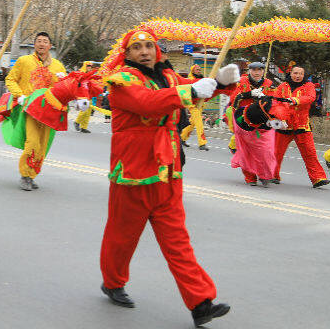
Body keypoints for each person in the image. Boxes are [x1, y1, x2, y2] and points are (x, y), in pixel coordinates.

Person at [97, 27, 237, 326]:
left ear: (157, 50)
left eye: (149, 46)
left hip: (169, 168)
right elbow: (148, 102)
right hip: (134, 172)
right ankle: (112, 281)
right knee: (122, 237)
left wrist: (221, 84)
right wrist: (191, 91)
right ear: (128, 54)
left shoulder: (170, 77)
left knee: (178, 240)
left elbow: (195, 87)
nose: (144, 52)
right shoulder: (121, 80)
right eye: (137, 48)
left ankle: (200, 302)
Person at [4, 31, 67, 190]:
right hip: (30, 109)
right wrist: (20, 95)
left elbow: (64, 89)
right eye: (39, 41)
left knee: (43, 145)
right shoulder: (24, 61)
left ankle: (32, 175)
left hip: (49, 112)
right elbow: (10, 79)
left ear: (50, 46)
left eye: (45, 41)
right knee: (32, 142)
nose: (41, 44)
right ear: (34, 44)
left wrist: (64, 81)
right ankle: (25, 175)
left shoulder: (58, 66)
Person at [272, 67, 329, 187]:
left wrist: (295, 100)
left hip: (302, 125)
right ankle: (272, 174)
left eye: (301, 74)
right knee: (276, 152)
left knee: (310, 153)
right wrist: (278, 116)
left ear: (304, 75)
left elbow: (310, 97)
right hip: (284, 125)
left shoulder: (308, 86)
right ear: (290, 73)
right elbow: (275, 102)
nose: (298, 76)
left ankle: (318, 178)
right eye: (295, 73)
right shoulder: (282, 86)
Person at [230, 97, 290, 186]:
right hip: (243, 123)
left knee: (267, 152)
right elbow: (235, 99)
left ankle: (265, 175)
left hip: (264, 128)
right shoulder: (242, 84)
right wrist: (248, 94)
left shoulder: (269, 87)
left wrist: (279, 123)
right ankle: (250, 177)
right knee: (245, 151)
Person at [226, 62, 273, 153]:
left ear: (263, 71)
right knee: (241, 131)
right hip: (241, 111)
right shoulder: (241, 82)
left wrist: (265, 97)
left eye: (259, 70)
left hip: (259, 114)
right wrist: (249, 94)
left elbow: (273, 101)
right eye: (254, 70)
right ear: (249, 71)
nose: (257, 73)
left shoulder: (268, 84)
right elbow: (234, 98)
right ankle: (234, 145)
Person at [180, 64, 210, 151]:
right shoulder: (191, 80)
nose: (199, 71)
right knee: (199, 123)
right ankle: (202, 143)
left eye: (200, 70)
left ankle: (182, 138)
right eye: (197, 70)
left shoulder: (202, 79)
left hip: (200, 104)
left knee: (192, 123)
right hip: (193, 105)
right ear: (193, 71)